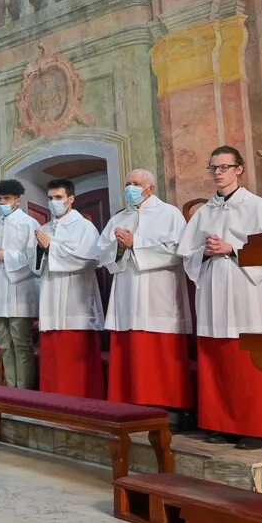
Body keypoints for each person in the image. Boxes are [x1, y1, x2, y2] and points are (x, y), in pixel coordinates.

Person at [176, 146, 262, 450]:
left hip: (248, 294)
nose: (218, 173)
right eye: (213, 168)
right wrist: (205, 251)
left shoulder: (259, 207)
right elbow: (186, 254)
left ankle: (256, 426)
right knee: (218, 358)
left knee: (248, 362)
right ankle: (222, 423)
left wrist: (234, 249)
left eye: (224, 167)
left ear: (239, 169)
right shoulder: (203, 212)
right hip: (214, 290)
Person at [96, 169, 193, 413]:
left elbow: (179, 252)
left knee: (160, 352)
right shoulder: (119, 218)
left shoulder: (169, 214)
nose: (131, 188)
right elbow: (101, 253)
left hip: (158, 294)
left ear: (151, 187)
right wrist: (118, 249)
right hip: (127, 293)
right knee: (129, 350)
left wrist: (135, 244)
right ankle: (127, 405)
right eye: (128, 183)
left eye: (136, 183)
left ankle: (168, 407)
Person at [35, 178, 105, 398]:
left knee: (75, 355)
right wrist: (40, 250)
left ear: (70, 199)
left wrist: (51, 247)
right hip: (51, 295)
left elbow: (88, 260)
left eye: (58, 197)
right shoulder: (44, 228)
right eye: (50, 198)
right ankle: (52, 400)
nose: (53, 202)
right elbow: (35, 265)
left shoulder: (84, 226)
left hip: (76, 298)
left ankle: (83, 400)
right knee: (53, 355)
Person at [0, 179, 41, 388]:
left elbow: (35, 259)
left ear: (17, 200)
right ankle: (11, 389)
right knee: (4, 344)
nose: (2, 202)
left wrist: (6, 256)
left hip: (20, 289)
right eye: (0, 198)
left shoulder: (29, 224)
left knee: (21, 343)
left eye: (7, 198)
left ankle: (24, 391)